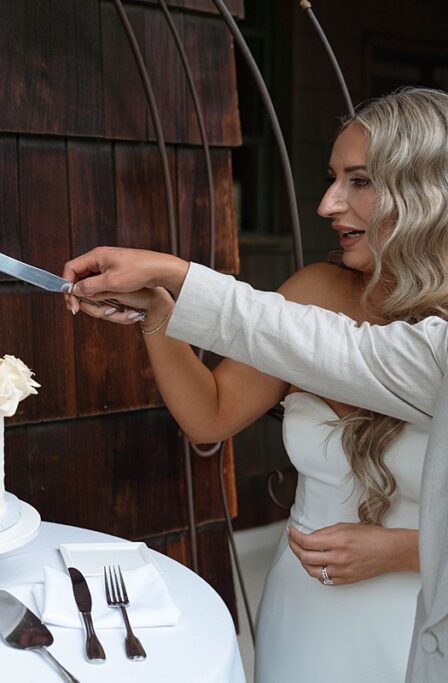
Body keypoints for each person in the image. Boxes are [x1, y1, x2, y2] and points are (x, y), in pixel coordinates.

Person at [62, 87, 448, 683]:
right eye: (332, 178)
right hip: (308, 611)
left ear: (424, 194)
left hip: (422, 612)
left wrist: (402, 550)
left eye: (360, 181)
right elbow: (210, 415)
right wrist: (159, 313)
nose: (327, 204)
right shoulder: (315, 293)